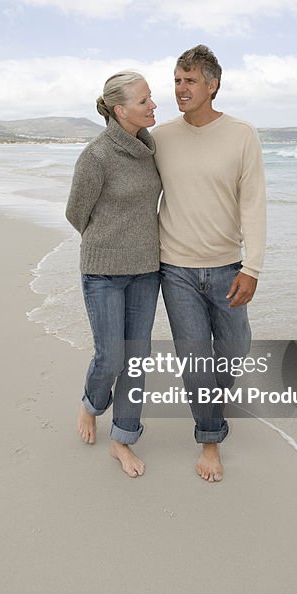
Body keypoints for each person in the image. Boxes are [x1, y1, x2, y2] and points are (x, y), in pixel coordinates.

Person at [153, 45, 266, 482]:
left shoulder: (242, 134)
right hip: (175, 268)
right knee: (196, 358)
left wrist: (252, 267)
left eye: (190, 81)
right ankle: (210, 438)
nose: (180, 88)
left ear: (212, 85)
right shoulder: (160, 137)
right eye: (177, 80)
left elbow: (253, 204)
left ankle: (208, 403)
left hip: (227, 267)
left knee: (235, 351)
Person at [65, 71, 161, 477]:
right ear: (121, 110)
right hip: (104, 272)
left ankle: (121, 439)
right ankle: (90, 405)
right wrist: (111, 241)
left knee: (137, 361)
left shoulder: (151, 147)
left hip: (146, 270)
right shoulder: (96, 155)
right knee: (111, 358)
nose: (154, 105)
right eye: (144, 101)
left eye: (151, 98)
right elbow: (75, 213)